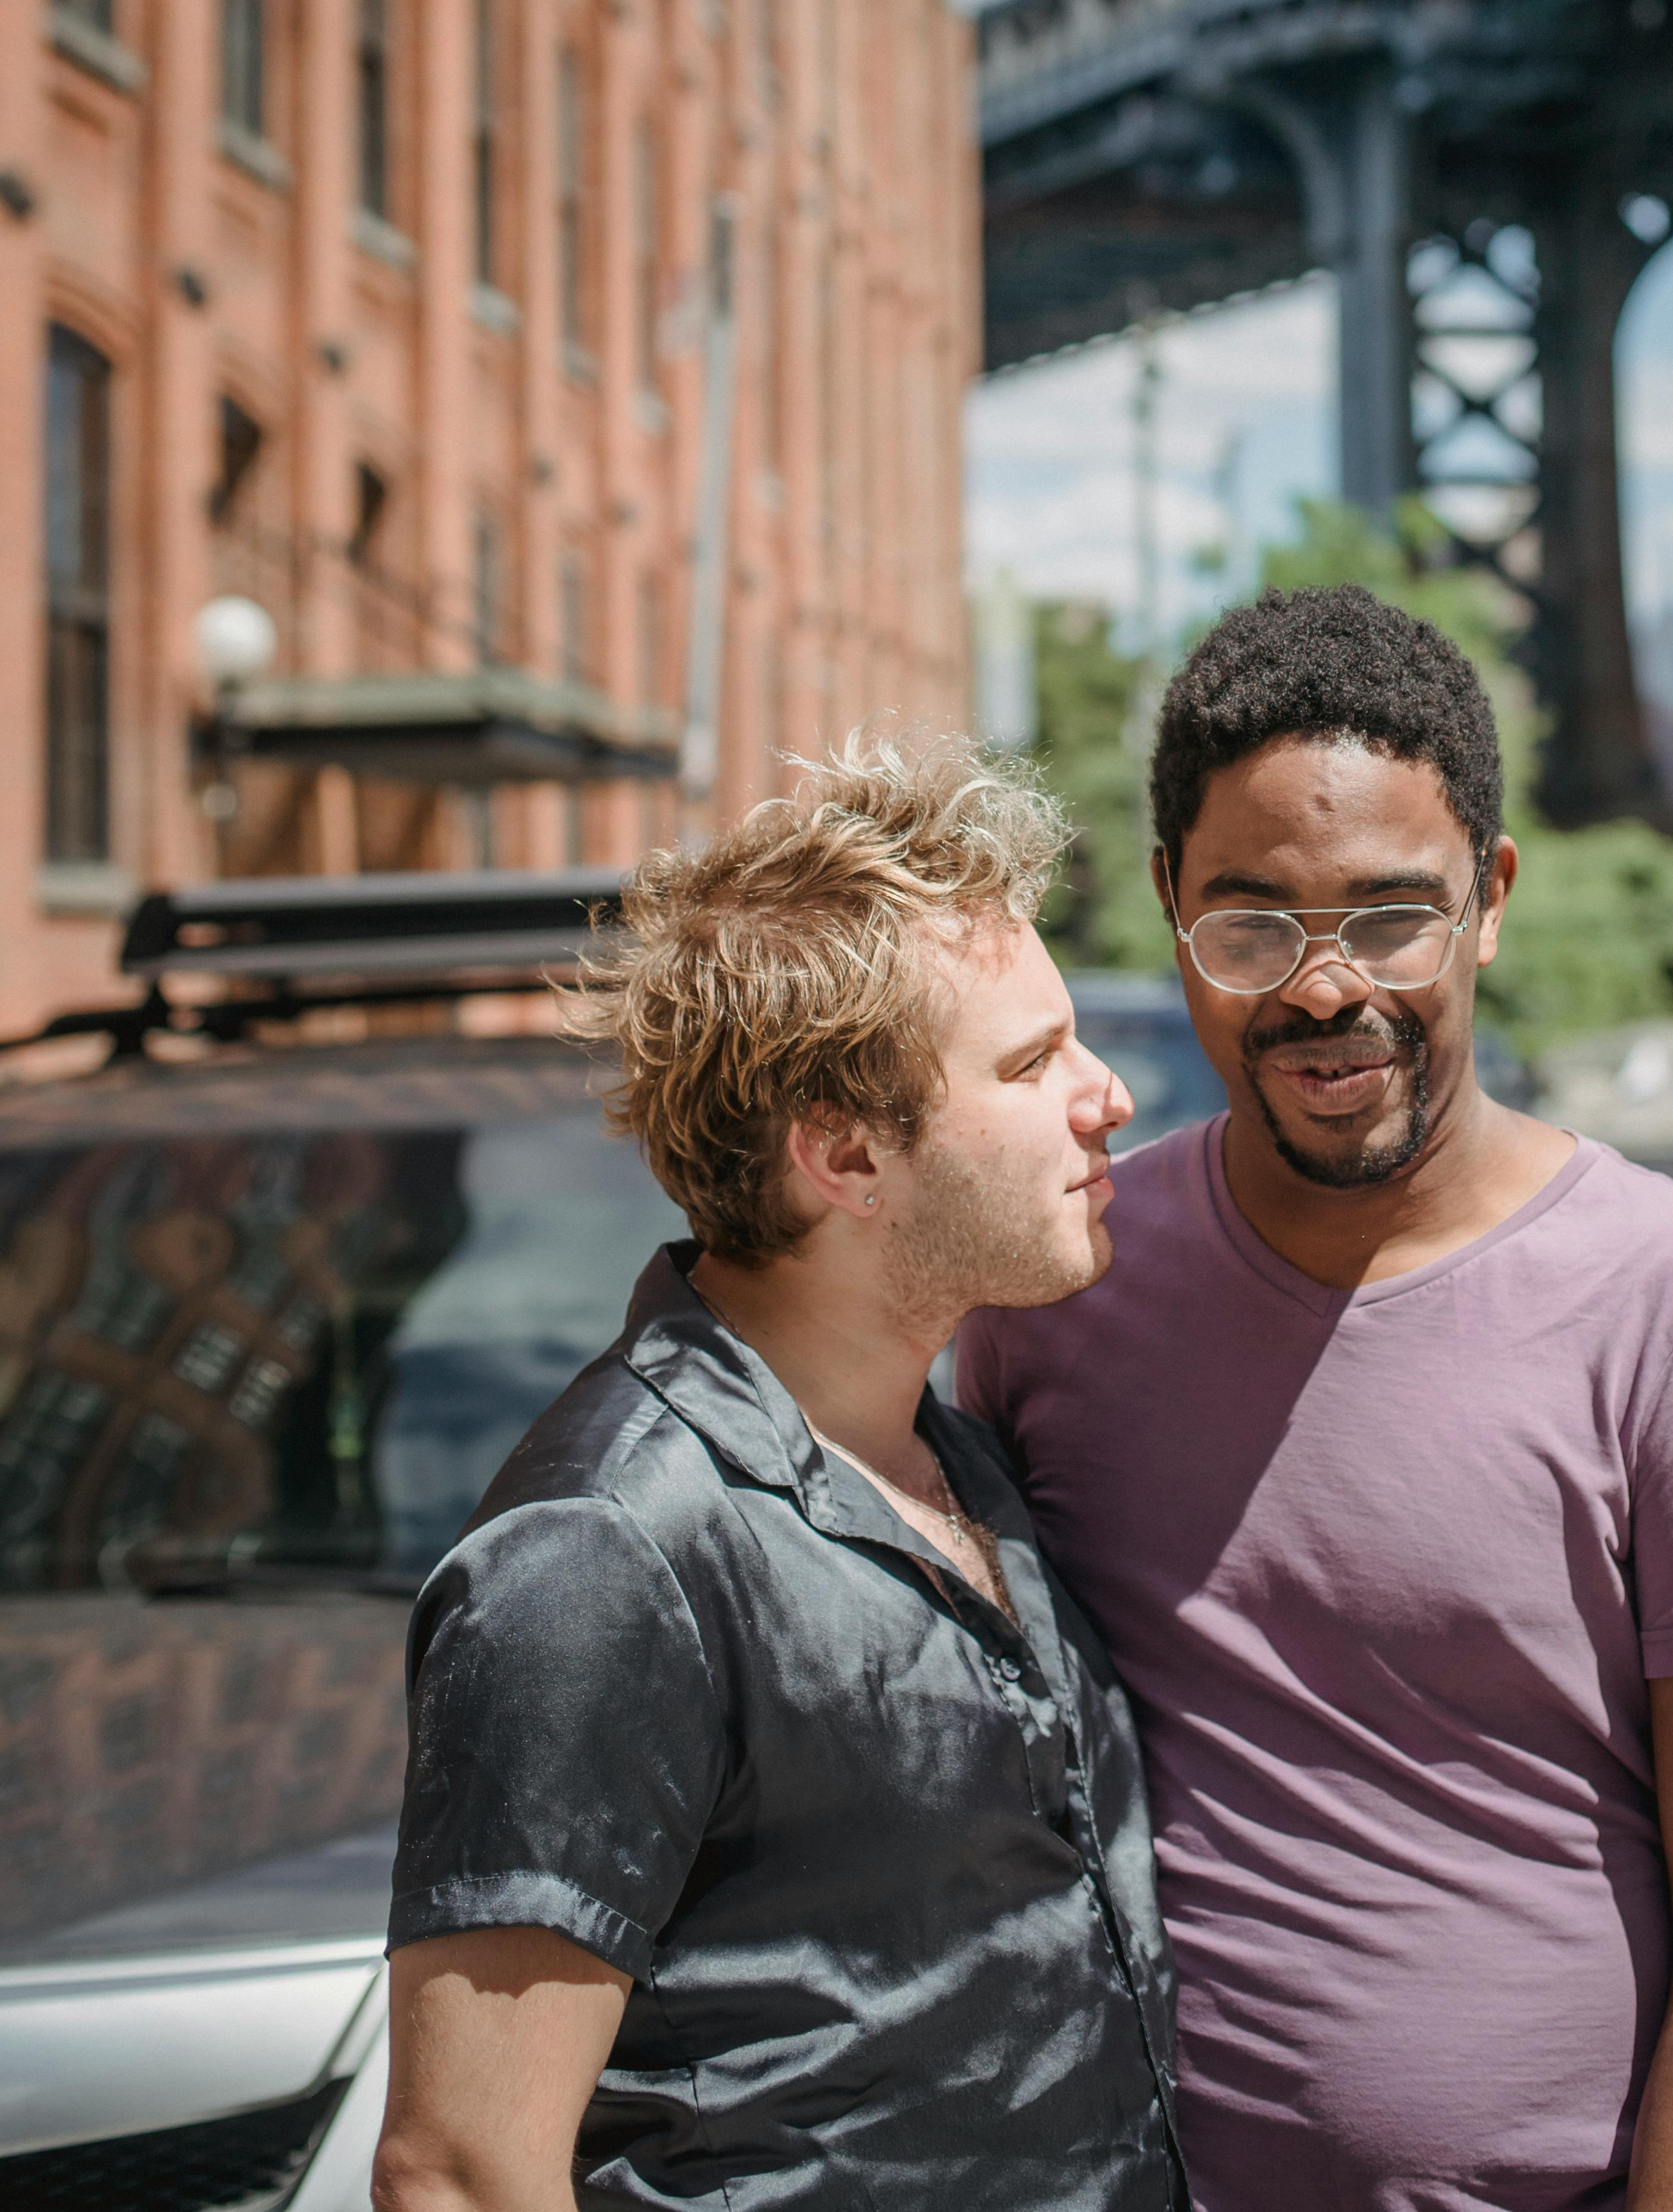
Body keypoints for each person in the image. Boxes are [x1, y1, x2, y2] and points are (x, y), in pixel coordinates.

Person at [961, 587, 1673, 2212]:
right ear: (1169, 906)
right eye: (1251, 927)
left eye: (1392, 918)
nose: (1323, 991)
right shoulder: (1061, 1284)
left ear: (1491, 900)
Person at [373, 736, 1183, 2212]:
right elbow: (462, 2173)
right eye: (1030, 1060)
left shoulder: (951, 1452)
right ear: (843, 1155)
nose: (1108, 1093)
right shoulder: (603, 1553)